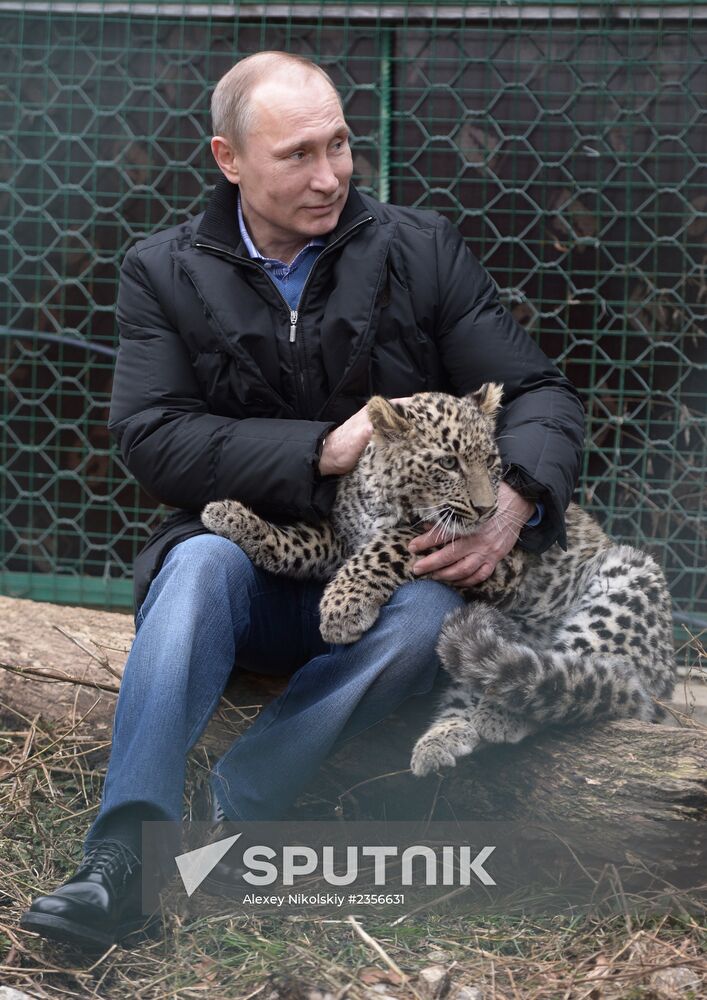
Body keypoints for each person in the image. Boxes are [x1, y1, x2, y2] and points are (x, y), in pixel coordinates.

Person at [21, 51, 584, 949]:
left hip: (392, 582)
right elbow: (150, 434)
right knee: (198, 562)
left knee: (430, 609)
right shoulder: (161, 270)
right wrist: (316, 450)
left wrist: (516, 498)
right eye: (296, 155)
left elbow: (540, 393)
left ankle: (233, 810)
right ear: (228, 158)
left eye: (340, 146)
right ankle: (122, 858)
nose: (329, 176)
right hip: (247, 561)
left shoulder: (419, 248)